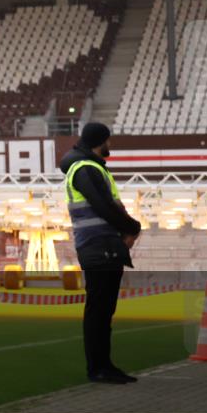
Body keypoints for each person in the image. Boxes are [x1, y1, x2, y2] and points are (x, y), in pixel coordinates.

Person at [59, 122, 143, 384]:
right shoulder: (86, 169)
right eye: (108, 140)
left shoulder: (88, 167)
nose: (111, 145)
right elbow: (104, 206)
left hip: (101, 245)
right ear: (100, 141)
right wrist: (132, 227)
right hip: (98, 245)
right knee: (99, 310)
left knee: (104, 310)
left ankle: (104, 366)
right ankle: (98, 368)